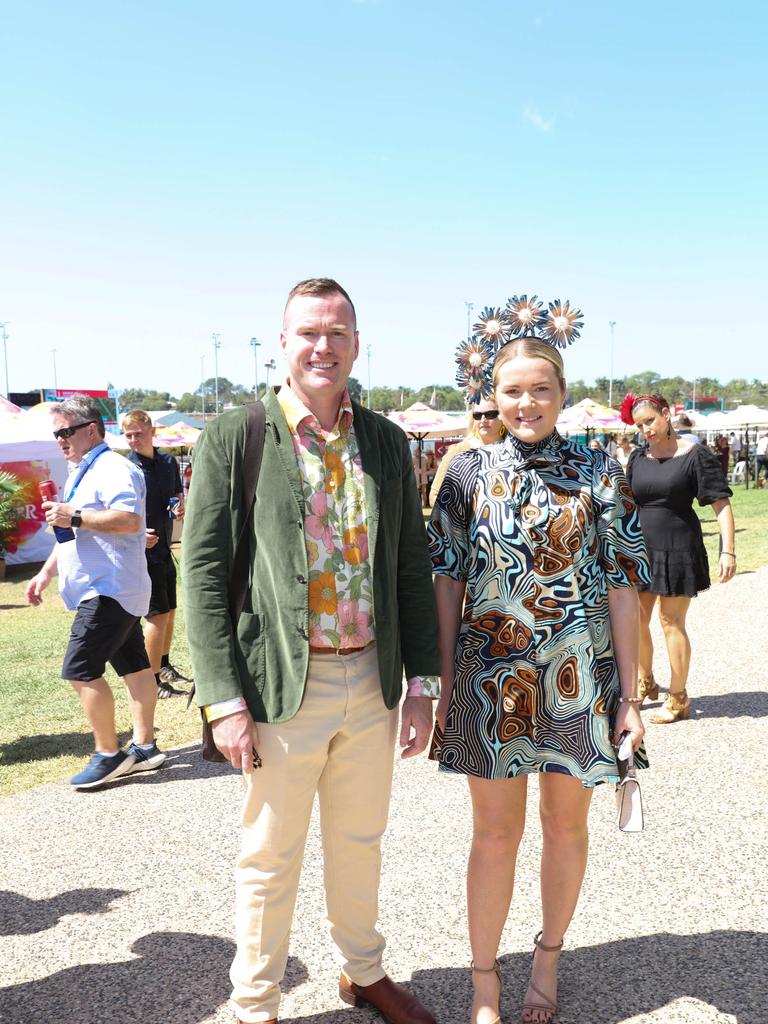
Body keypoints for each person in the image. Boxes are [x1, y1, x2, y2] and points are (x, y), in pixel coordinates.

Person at [182, 278, 440, 1024]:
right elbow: (201, 569)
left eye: (337, 333)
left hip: (371, 676)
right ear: (283, 343)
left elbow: (410, 568)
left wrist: (421, 683)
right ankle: (254, 1003)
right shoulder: (240, 433)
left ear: (357, 344)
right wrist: (223, 699)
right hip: (281, 686)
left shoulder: (387, 441)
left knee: (361, 842)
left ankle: (363, 972)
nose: (322, 346)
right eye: (308, 333)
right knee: (270, 856)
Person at [429, 302, 650, 1024]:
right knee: (494, 835)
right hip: (491, 679)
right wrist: (442, 681)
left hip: (578, 682)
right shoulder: (466, 474)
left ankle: (547, 962)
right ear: (493, 393)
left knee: (566, 828)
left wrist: (632, 696)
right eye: (513, 390)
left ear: (561, 393)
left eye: (541, 389)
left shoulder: (599, 469)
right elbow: (448, 581)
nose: (526, 403)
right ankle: (485, 979)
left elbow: (623, 582)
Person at [25, 394, 165, 788]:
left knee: (80, 669)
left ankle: (108, 754)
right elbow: (70, 534)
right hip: (109, 587)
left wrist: (76, 514)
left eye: (66, 431)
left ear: (91, 430)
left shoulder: (112, 467)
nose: (60, 440)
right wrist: (46, 573)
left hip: (109, 588)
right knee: (135, 666)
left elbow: (128, 519)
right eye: (56, 434)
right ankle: (146, 746)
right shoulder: (82, 470)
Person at [622, 392, 735, 724]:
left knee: (671, 622)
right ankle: (645, 682)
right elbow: (628, 505)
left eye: (650, 421)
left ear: (666, 414)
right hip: (641, 550)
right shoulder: (637, 457)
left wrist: (727, 549)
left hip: (679, 548)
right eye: (640, 425)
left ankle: (679, 697)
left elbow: (721, 504)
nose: (646, 430)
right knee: (634, 622)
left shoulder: (695, 455)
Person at [122, 409, 191, 698]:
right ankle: (152, 681)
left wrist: (180, 505)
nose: (134, 440)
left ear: (152, 432)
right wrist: (138, 536)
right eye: (129, 435)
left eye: (138, 433)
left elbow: (176, 494)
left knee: (170, 611)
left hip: (164, 548)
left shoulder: (166, 461)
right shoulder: (127, 467)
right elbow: (120, 513)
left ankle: (163, 665)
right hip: (141, 552)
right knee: (156, 616)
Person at [428, 396, 506, 507]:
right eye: (477, 415)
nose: (483, 420)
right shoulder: (457, 451)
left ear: (502, 416)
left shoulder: (514, 450)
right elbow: (435, 495)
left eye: (490, 414)